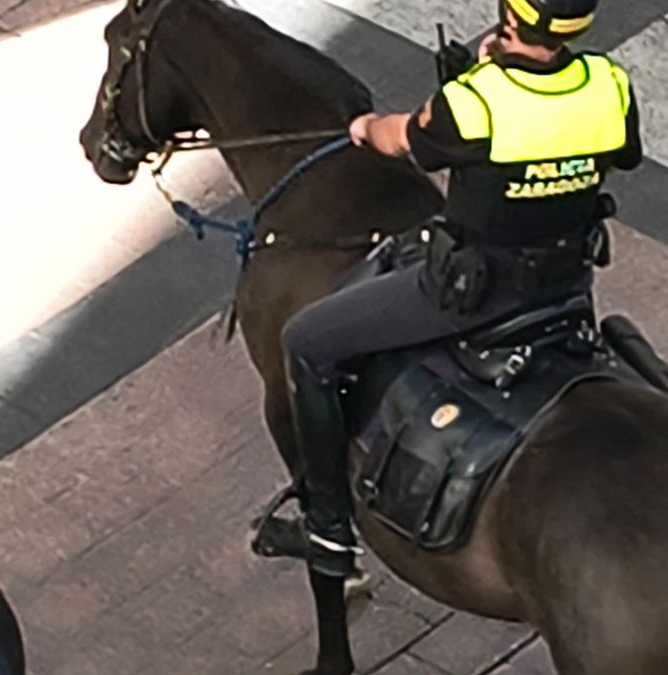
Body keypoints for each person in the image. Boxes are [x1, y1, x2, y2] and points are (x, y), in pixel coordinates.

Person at [256, 0, 643, 579]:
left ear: (509, 20)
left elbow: (402, 140)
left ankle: (329, 530)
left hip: (469, 294)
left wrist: (364, 127)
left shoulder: (476, 101)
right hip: (565, 287)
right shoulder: (610, 86)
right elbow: (621, 154)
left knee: (307, 342)